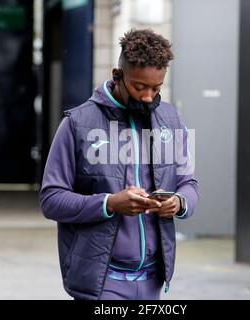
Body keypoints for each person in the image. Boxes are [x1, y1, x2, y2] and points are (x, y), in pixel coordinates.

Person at [39, 28, 199, 300]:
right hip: (102, 282)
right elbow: (51, 199)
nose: (149, 97)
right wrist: (109, 203)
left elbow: (189, 183)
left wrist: (180, 202)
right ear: (117, 75)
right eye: (139, 87)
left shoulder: (171, 120)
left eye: (156, 88)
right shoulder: (77, 124)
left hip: (153, 281)